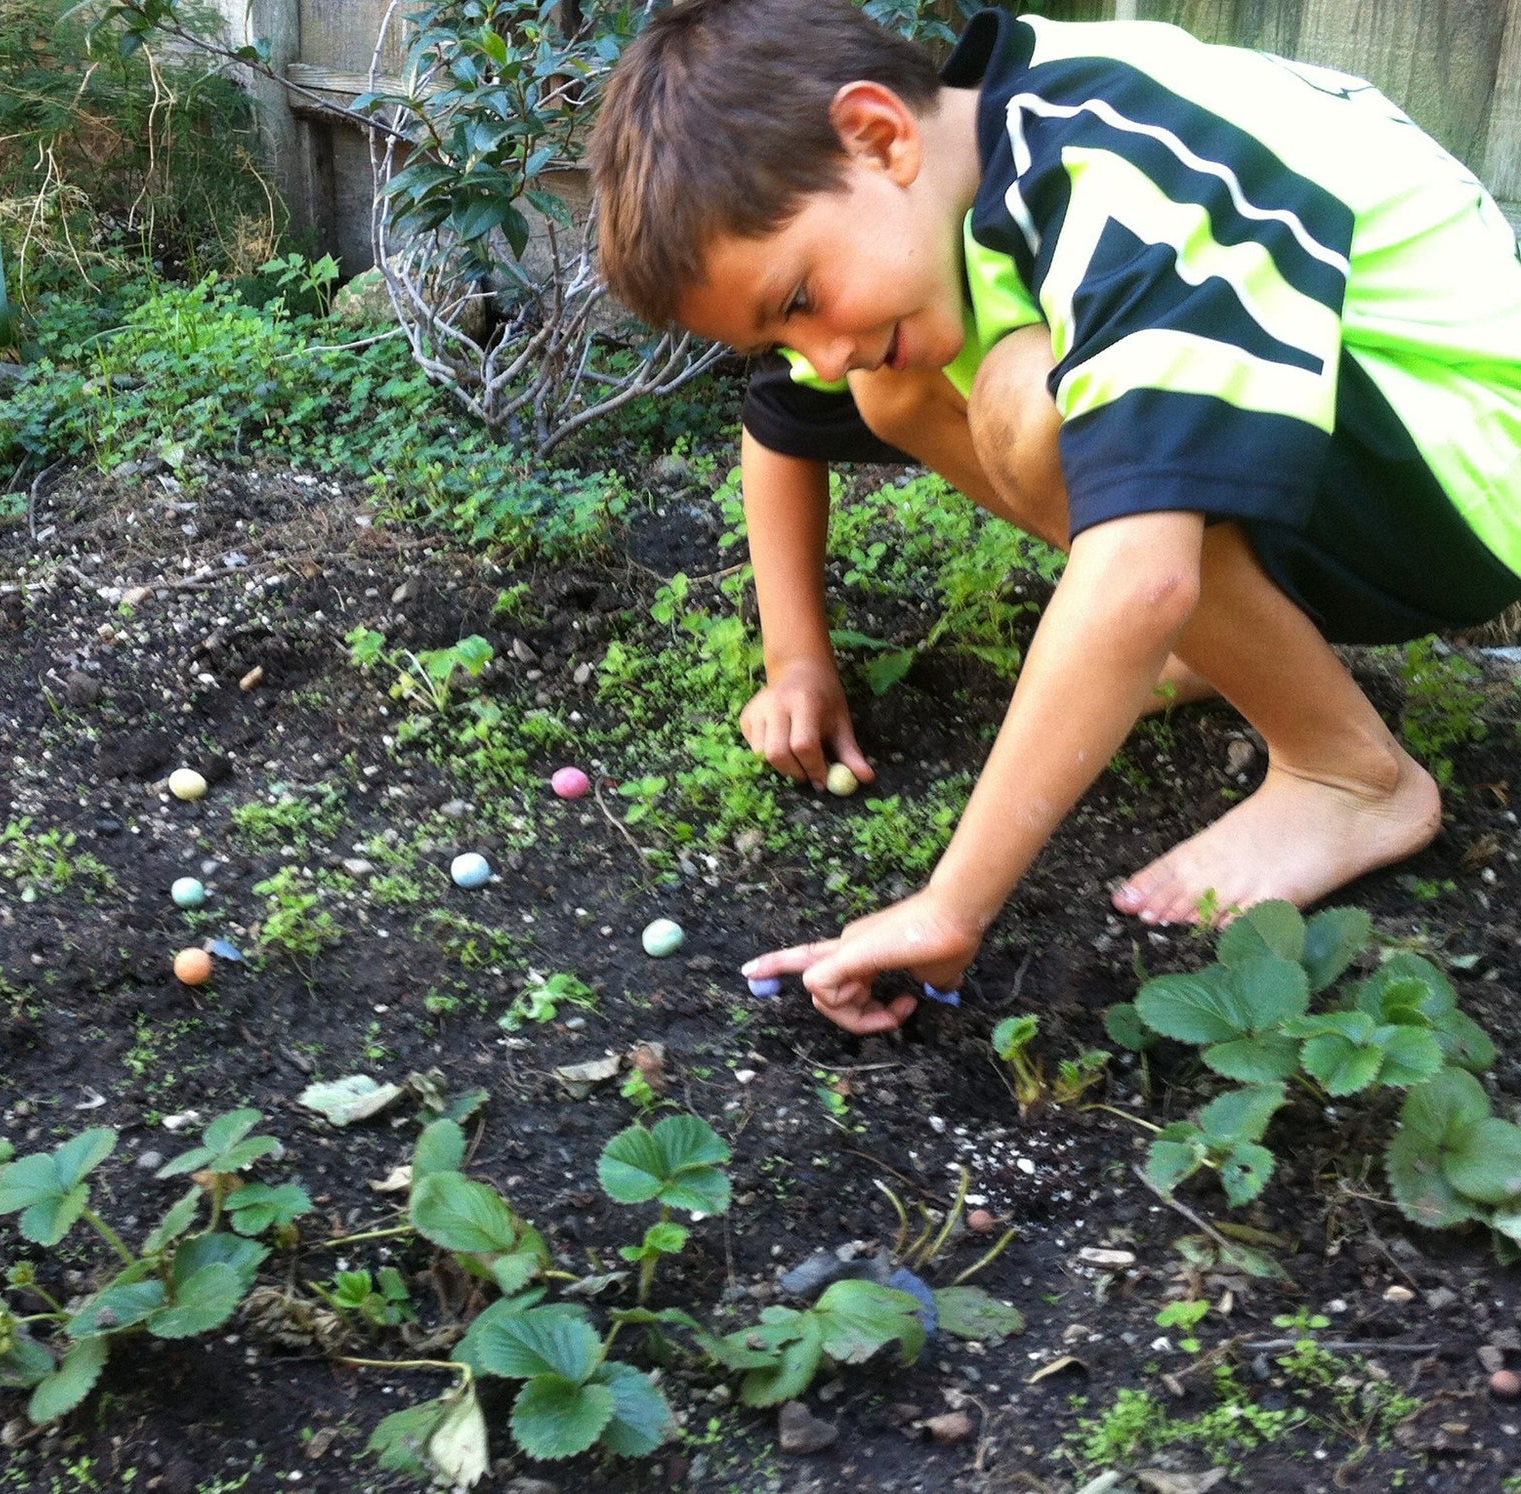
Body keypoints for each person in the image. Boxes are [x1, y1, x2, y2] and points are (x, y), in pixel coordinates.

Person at [587, 0, 1521, 1036]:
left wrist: (949, 907)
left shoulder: (1112, 167)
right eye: (777, 333)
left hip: (1464, 465)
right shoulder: (962, 161)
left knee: (1031, 403)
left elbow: (1140, 576)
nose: (816, 352)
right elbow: (779, 429)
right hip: (1348, 447)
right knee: (891, 390)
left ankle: (1348, 773)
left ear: (878, 135)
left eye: (798, 299)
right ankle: (1233, 647)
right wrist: (795, 660)